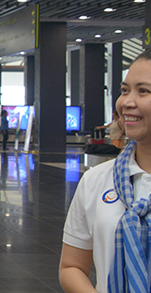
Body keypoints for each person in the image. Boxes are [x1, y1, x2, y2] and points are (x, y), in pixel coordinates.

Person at [59, 48, 151, 293]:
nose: (126, 102)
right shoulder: (97, 180)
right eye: (124, 90)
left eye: (143, 91)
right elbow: (72, 267)